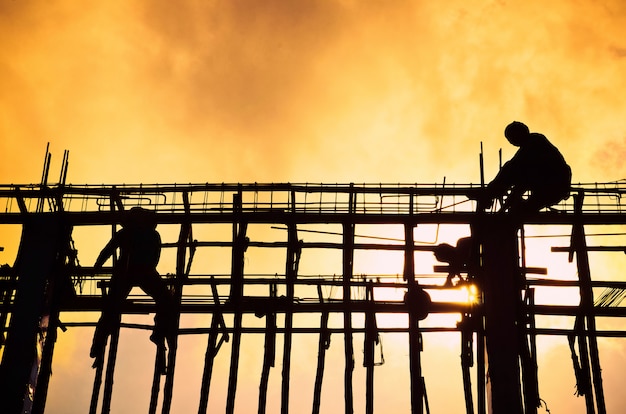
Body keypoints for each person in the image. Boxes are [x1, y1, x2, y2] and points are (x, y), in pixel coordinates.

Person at [90, 207, 174, 366]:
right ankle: (158, 333)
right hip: (140, 272)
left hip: (129, 272)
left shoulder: (128, 232)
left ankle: (98, 346)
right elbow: (155, 256)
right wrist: (97, 266)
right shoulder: (148, 234)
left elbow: (107, 251)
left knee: (110, 310)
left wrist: (96, 267)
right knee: (165, 300)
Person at [479, 121, 571, 213]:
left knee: (510, 169)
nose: (511, 142)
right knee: (517, 211)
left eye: (511, 138)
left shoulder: (534, 143)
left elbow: (517, 169)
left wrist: (500, 196)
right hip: (548, 187)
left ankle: (489, 194)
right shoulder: (533, 143)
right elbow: (522, 177)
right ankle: (491, 194)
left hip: (551, 187)